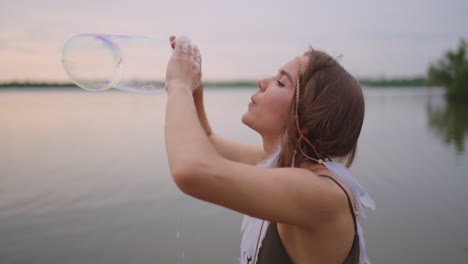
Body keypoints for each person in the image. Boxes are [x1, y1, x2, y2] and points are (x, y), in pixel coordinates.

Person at [164, 35, 375, 264]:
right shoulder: (283, 163)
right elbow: (207, 142)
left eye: (280, 82)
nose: (262, 81)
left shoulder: (320, 193)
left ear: (307, 121)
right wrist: (194, 87)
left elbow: (191, 169)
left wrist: (177, 86)